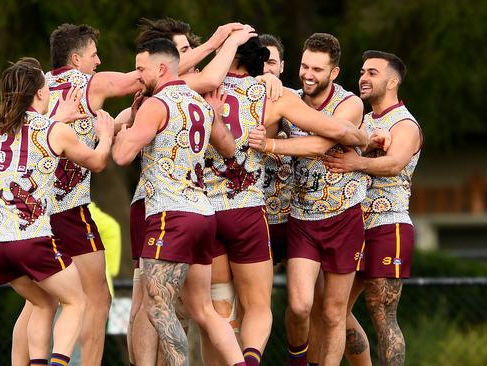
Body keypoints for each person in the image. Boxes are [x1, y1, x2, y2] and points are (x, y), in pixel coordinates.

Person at [204, 36, 369, 366]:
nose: (308, 73)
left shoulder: (201, 90)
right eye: (304, 66)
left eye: (316, 68)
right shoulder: (274, 95)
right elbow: (335, 134)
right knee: (270, 307)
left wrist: (363, 141)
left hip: (211, 210)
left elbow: (327, 141)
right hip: (260, 213)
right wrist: (364, 139)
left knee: (222, 307)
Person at [126, 19, 265, 366]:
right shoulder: (165, 87)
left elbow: (228, 145)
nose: (191, 57)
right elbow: (209, 78)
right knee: (150, 301)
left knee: (188, 308)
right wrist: (223, 41)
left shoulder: (186, 93)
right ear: (164, 61)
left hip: (193, 208)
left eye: (189, 49)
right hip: (156, 205)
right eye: (182, 51)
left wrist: (268, 78)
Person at [11, 23, 142, 366]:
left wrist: (120, 123)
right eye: (93, 54)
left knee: (38, 301)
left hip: (31, 212)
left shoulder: (38, 90)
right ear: (75, 58)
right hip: (69, 210)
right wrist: (213, 46)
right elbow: (139, 79)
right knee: (97, 298)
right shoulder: (84, 84)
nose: (98, 61)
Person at [0, 57, 114, 365]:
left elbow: (29, 137)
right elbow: (97, 162)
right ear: (41, 94)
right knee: (77, 300)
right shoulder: (54, 131)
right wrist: (106, 135)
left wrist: (58, 118)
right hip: (31, 240)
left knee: (43, 302)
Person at [322, 50, 422, 366]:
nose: (363, 77)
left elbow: (393, 164)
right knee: (330, 310)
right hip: (351, 225)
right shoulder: (362, 121)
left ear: (393, 81)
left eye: (373, 73)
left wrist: (357, 161)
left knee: (382, 315)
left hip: (387, 225)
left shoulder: (405, 123)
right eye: (363, 71)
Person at [258, 33, 293, 265]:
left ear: (281, 66)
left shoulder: (295, 100)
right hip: (253, 218)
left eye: (271, 63)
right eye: (260, 62)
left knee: (302, 300)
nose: (266, 68)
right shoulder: (235, 101)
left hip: (294, 219)